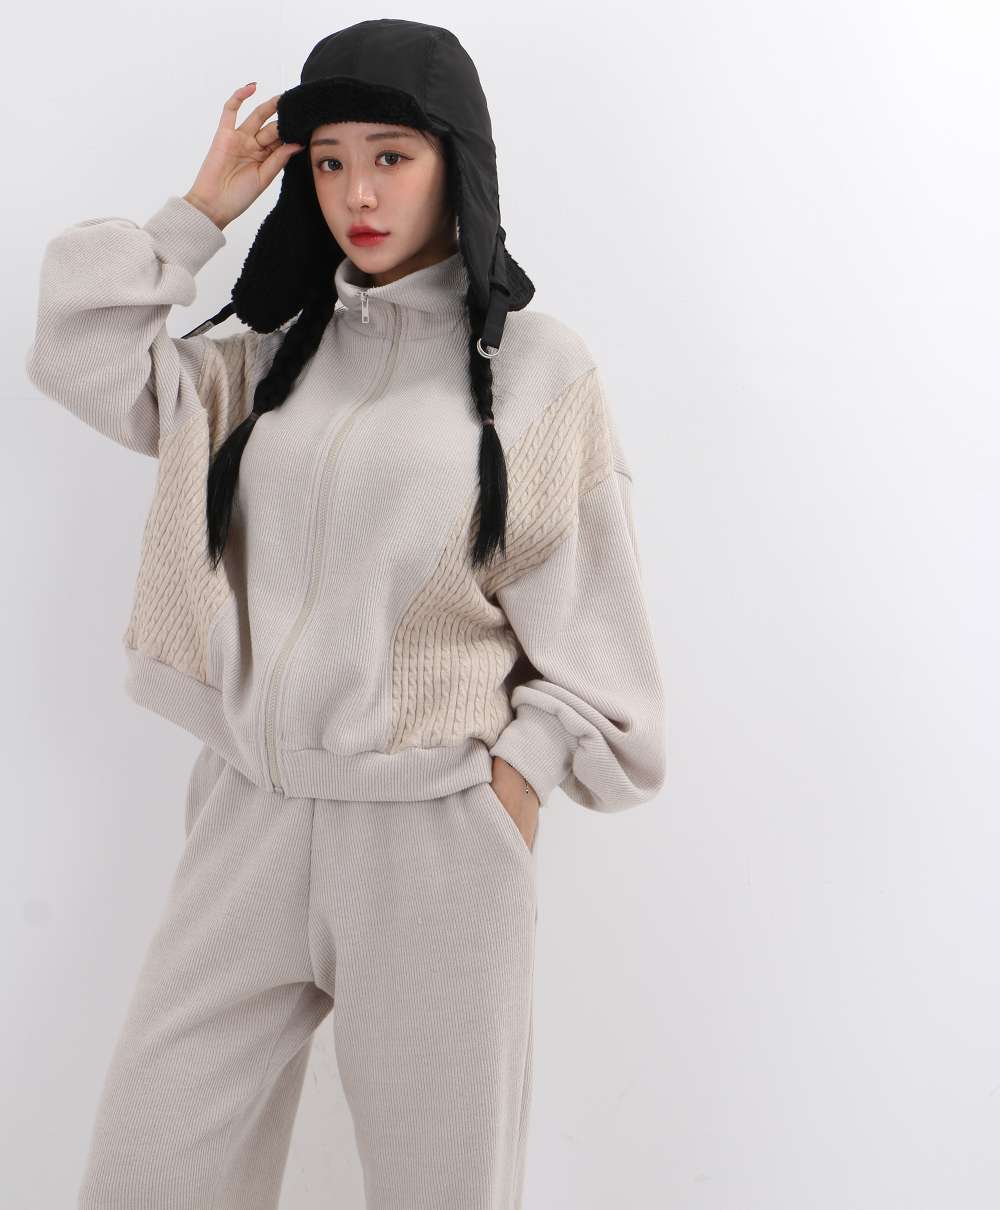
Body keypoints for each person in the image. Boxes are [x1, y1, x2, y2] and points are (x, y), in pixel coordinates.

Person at [24, 19, 666, 1210]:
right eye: (328, 161)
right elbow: (76, 349)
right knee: (144, 1171)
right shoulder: (259, 363)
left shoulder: (537, 372)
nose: (357, 194)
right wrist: (198, 214)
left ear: (455, 163)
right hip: (246, 825)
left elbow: (600, 649)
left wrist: (516, 779)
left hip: (433, 846)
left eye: (391, 157)